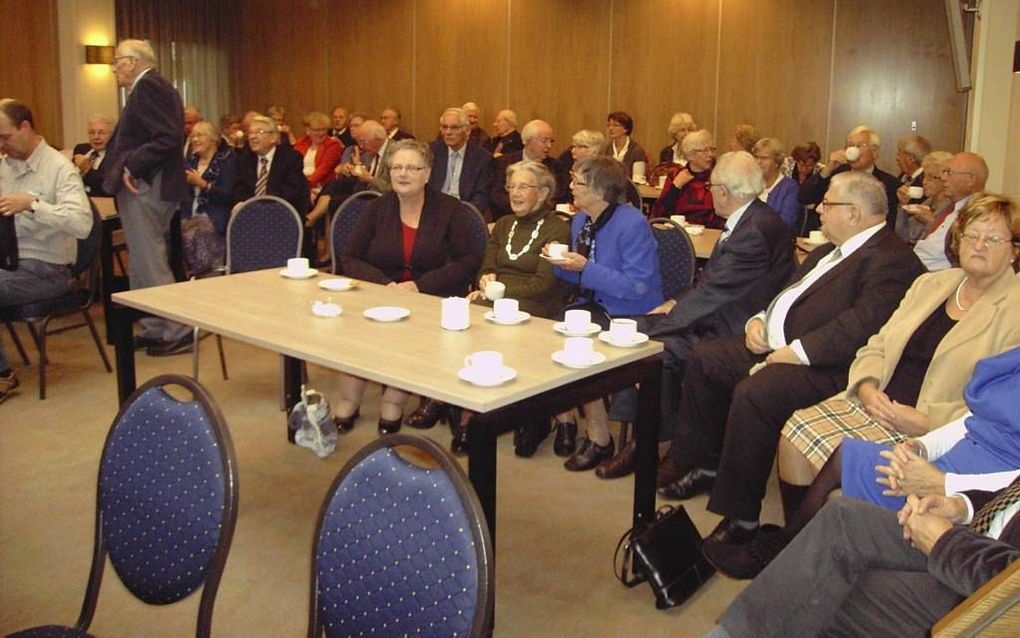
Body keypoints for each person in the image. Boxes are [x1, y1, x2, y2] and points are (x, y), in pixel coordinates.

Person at [657, 171, 924, 569]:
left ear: (852, 213)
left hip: (831, 366)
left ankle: (742, 516)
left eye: (827, 204)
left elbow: (862, 327)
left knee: (758, 392)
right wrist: (758, 321)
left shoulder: (893, 259)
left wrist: (795, 352)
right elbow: (786, 296)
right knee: (707, 358)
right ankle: (707, 462)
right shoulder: (827, 251)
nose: (818, 210)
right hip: (779, 347)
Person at [776, 193, 1020, 531]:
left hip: (927, 427)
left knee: (840, 495)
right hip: (877, 402)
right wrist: (866, 387)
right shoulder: (931, 283)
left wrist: (923, 421)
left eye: (993, 238)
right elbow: (879, 343)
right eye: (971, 235)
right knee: (793, 433)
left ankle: (797, 545)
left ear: (1014, 250)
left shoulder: (1015, 312)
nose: (979, 245)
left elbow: (997, 410)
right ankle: (799, 535)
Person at [597, 152, 797, 478]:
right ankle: (643, 439)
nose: (709, 192)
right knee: (633, 330)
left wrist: (655, 331)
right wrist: (675, 304)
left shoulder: (754, 231)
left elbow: (713, 294)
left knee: (644, 344)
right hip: (723, 311)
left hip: (736, 328)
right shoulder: (755, 218)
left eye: (712, 186)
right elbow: (713, 285)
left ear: (725, 191)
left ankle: (661, 446)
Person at [406, 161, 570, 452]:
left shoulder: (557, 227)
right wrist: (485, 282)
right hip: (495, 298)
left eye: (524, 187)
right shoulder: (505, 224)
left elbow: (544, 284)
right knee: (456, 321)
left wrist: (496, 293)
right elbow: (486, 267)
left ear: (543, 193)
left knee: (483, 325)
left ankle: (468, 417)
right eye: (512, 187)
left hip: (536, 306)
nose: (515, 193)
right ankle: (450, 398)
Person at [712, 489, 1020, 637]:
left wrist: (945, 543)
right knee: (842, 517)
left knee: (837, 585)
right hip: (982, 543)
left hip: (993, 600)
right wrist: (961, 506)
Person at [335, 140, 484, 435]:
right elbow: (350, 256)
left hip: (430, 295)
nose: (403, 174)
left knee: (407, 331)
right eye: (397, 167)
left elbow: (468, 260)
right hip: (382, 293)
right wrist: (384, 284)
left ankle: (393, 399)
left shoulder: (449, 209)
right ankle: (348, 399)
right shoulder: (377, 207)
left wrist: (419, 286)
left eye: (412, 168)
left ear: (427, 173)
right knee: (355, 327)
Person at [525, 157, 663, 465]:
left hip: (629, 311)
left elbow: (637, 286)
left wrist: (585, 267)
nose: (571, 187)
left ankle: (599, 437)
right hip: (591, 303)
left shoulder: (632, 223)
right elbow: (580, 276)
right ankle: (579, 427)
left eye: (578, 183)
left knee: (579, 344)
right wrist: (562, 265)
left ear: (601, 191)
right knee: (553, 332)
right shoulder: (580, 220)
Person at [102, 39, 193, 356]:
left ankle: (176, 329)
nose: (114, 68)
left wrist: (131, 164)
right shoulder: (150, 87)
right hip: (145, 183)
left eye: (117, 61)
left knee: (150, 260)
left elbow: (167, 137)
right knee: (141, 261)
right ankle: (155, 326)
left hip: (146, 184)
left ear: (132, 61)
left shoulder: (149, 86)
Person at [0, 99, 92, 402]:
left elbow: (82, 224)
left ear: (25, 127)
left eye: (5, 137)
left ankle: (2, 376)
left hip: (49, 270)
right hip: (10, 264)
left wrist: (33, 205)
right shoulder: (5, 166)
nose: (2, 145)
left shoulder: (60, 169)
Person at [233, 114, 311, 257]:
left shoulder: (291, 158)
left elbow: (290, 192)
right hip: (251, 215)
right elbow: (239, 189)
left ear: (274, 138)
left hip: (283, 214)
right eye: (250, 132)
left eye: (259, 132)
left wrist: (260, 206)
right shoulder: (244, 158)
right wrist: (245, 204)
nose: (252, 137)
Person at [798, 125, 901, 231]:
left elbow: (887, 226)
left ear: (874, 152)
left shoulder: (890, 185)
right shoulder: (835, 173)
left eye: (860, 145)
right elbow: (803, 197)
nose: (853, 149)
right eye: (850, 145)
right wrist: (827, 169)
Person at [912, 151, 988, 271]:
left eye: (950, 173)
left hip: (932, 277)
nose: (943, 178)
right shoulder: (951, 207)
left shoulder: (978, 215)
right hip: (915, 267)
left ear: (971, 180)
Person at [180, 120, 236, 275]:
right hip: (188, 214)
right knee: (171, 232)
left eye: (200, 135)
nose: (195, 140)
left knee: (197, 233)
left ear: (213, 139)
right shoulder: (190, 162)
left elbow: (227, 195)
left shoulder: (227, 160)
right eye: (192, 136)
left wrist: (203, 184)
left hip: (216, 214)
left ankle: (207, 276)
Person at [489, 120, 563, 220]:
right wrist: (520, 206)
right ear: (527, 141)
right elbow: (496, 195)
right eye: (544, 141)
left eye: (551, 141)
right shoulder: (503, 163)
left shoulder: (555, 166)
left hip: (541, 219)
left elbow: (555, 197)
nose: (549, 146)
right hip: (508, 217)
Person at [649, 129, 720, 229]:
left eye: (711, 149)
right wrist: (675, 187)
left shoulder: (718, 177)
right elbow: (660, 214)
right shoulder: (675, 175)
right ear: (690, 155)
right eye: (704, 151)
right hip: (679, 232)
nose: (710, 155)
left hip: (710, 232)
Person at [427, 107, 493, 213]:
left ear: (467, 130)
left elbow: (482, 197)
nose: (448, 132)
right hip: (434, 211)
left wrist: (461, 214)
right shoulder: (431, 152)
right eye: (445, 127)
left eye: (454, 128)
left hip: (464, 212)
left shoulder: (482, 158)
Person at [895, 150, 952, 244]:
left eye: (931, 177)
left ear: (945, 179)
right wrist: (903, 205)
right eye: (924, 176)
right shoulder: (927, 204)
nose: (924, 182)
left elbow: (947, 243)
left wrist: (930, 221)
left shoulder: (951, 208)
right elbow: (901, 236)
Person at [751, 137, 800, 228]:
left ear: (777, 162)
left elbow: (786, 223)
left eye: (764, 158)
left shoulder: (790, 188)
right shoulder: (749, 183)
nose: (758, 162)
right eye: (756, 157)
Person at [293, 111, 343, 196]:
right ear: (307, 130)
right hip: (300, 184)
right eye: (316, 130)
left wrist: (303, 187)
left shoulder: (333, 145)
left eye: (323, 129)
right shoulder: (301, 142)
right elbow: (293, 166)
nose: (320, 133)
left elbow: (322, 171)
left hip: (321, 186)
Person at [71, 114, 115, 196]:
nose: (96, 137)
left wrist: (87, 170)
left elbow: (107, 187)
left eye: (101, 133)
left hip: (103, 202)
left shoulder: (116, 156)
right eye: (92, 133)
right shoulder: (81, 149)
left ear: (113, 135)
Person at [606, 111, 648, 181]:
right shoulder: (606, 148)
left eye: (615, 125)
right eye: (609, 125)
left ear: (626, 129)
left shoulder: (636, 150)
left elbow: (638, 179)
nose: (610, 128)